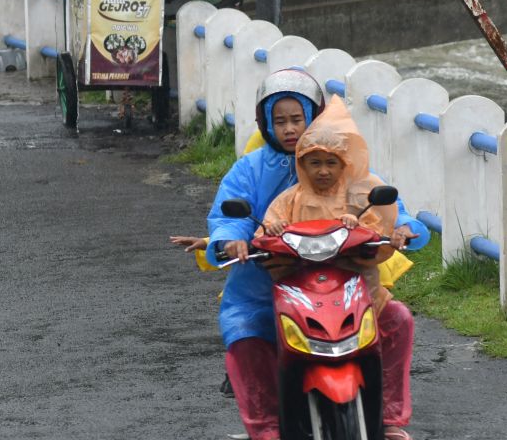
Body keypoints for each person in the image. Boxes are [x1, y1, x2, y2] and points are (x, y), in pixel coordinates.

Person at [170, 69, 426, 440]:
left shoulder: (344, 159)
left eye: (297, 119)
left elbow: (384, 201)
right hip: (266, 280)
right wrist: (230, 242)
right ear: (265, 123)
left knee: (397, 320)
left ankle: (389, 419)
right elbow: (229, 217)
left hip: (345, 278)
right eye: (280, 121)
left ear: (313, 116)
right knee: (247, 338)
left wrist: (403, 227)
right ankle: (268, 428)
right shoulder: (250, 169)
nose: (290, 129)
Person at [259, 96, 398, 318]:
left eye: (331, 163)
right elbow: (265, 231)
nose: (323, 171)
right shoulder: (290, 199)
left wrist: (358, 226)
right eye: (315, 163)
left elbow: (377, 233)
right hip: (301, 281)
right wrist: (275, 229)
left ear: (344, 164)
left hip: (353, 280)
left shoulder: (357, 197)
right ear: (302, 164)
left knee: (398, 317)